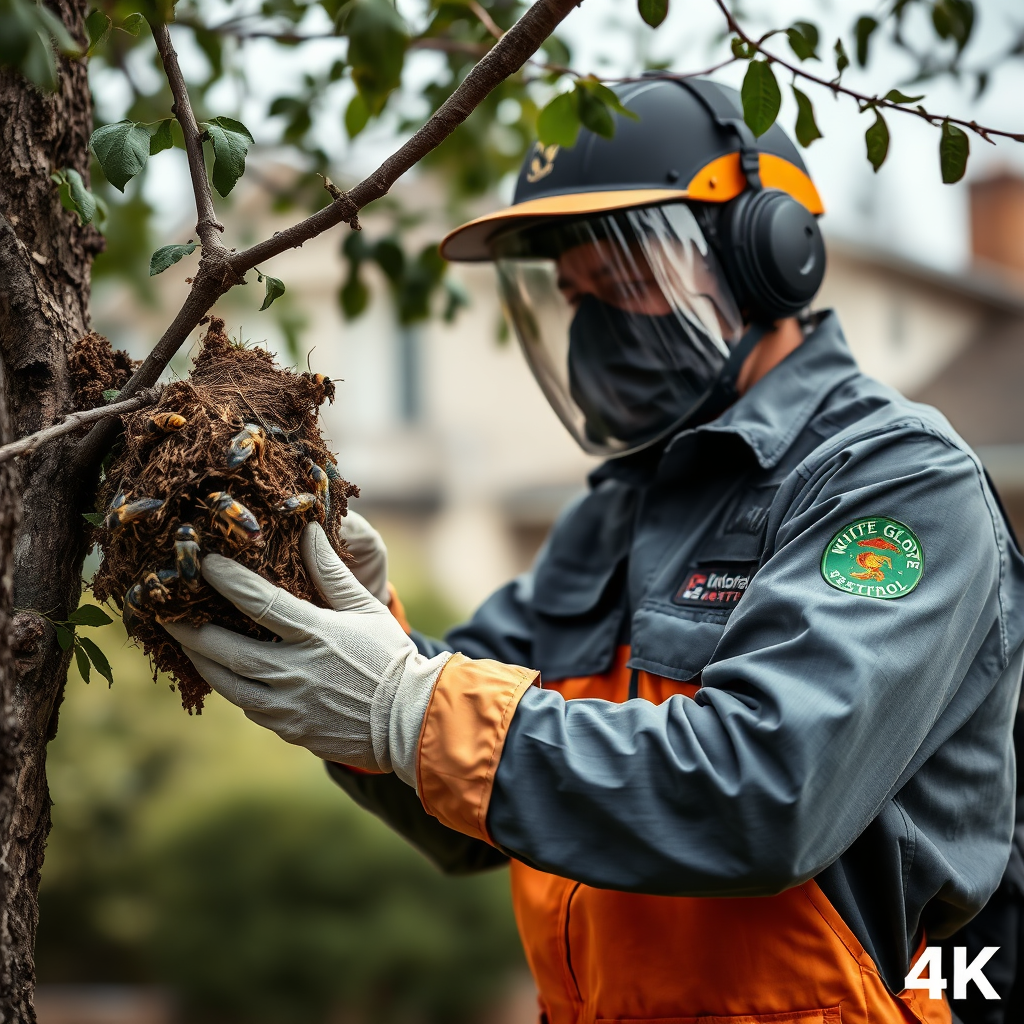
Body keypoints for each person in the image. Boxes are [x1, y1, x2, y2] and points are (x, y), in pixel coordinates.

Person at [162, 78, 1024, 1024]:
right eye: (576, 295)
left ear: (770, 254)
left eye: (627, 279)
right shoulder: (616, 516)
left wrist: (411, 705)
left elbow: (766, 792)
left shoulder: (892, 482)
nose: (594, 328)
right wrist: (371, 637)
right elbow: (466, 814)